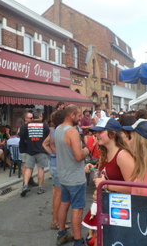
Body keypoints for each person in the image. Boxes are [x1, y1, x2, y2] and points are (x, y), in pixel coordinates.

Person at [83, 118, 135, 245]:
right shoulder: (105, 153)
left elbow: (133, 188)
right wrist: (94, 168)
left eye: (101, 132)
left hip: (120, 211)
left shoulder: (123, 155)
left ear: (112, 134)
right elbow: (108, 175)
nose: (97, 135)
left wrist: (105, 184)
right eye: (96, 132)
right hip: (108, 206)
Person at [55, 105, 90, 246]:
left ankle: (62, 233)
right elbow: (78, 156)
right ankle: (78, 240)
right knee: (77, 208)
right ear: (72, 115)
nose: (80, 118)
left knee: (64, 204)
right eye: (79, 115)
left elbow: (53, 146)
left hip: (63, 175)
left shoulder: (58, 129)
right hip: (75, 177)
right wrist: (87, 150)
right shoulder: (72, 132)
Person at [42, 110, 66, 231]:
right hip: (58, 165)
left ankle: (59, 218)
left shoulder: (53, 131)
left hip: (54, 164)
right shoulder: (59, 131)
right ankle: (56, 221)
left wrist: (53, 154)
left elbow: (45, 144)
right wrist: (56, 154)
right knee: (59, 194)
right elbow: (46, 144)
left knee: (58, 193)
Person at [19, 111, 50, 196]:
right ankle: (40, 188)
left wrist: (29, 142)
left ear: (33, 117)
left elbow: (23, 136)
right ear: (40, 117)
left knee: (28, 168)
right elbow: (48, 137)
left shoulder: (26, 125)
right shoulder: (45, 126)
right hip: (41, 150)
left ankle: (25, 185)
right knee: (41, 169)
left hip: (30, 150)